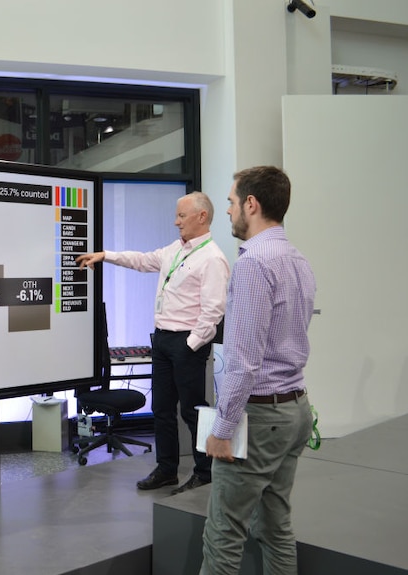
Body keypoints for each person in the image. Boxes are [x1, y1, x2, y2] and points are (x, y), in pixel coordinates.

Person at [199, 166, 315, 574]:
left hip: (260, 416)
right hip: (295, 412)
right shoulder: (297, 260)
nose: (228, 210)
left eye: (231, 202)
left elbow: (245, 361)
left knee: (223, 533)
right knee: (275, 525)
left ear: (252, 204)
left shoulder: (253, 264)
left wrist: (222, 428)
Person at [76, 191, 229, 494]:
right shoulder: (175, 249)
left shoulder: (213, 258)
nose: (176, 222)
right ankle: (166, 469)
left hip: (187, 344)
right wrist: (106, 255)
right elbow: (143, 261)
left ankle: (205, 471)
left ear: (202, 217)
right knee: (162, 409)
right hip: (161, 340)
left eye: (182, 216)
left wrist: (191, 345)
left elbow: (214, 311)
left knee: (192, 410)